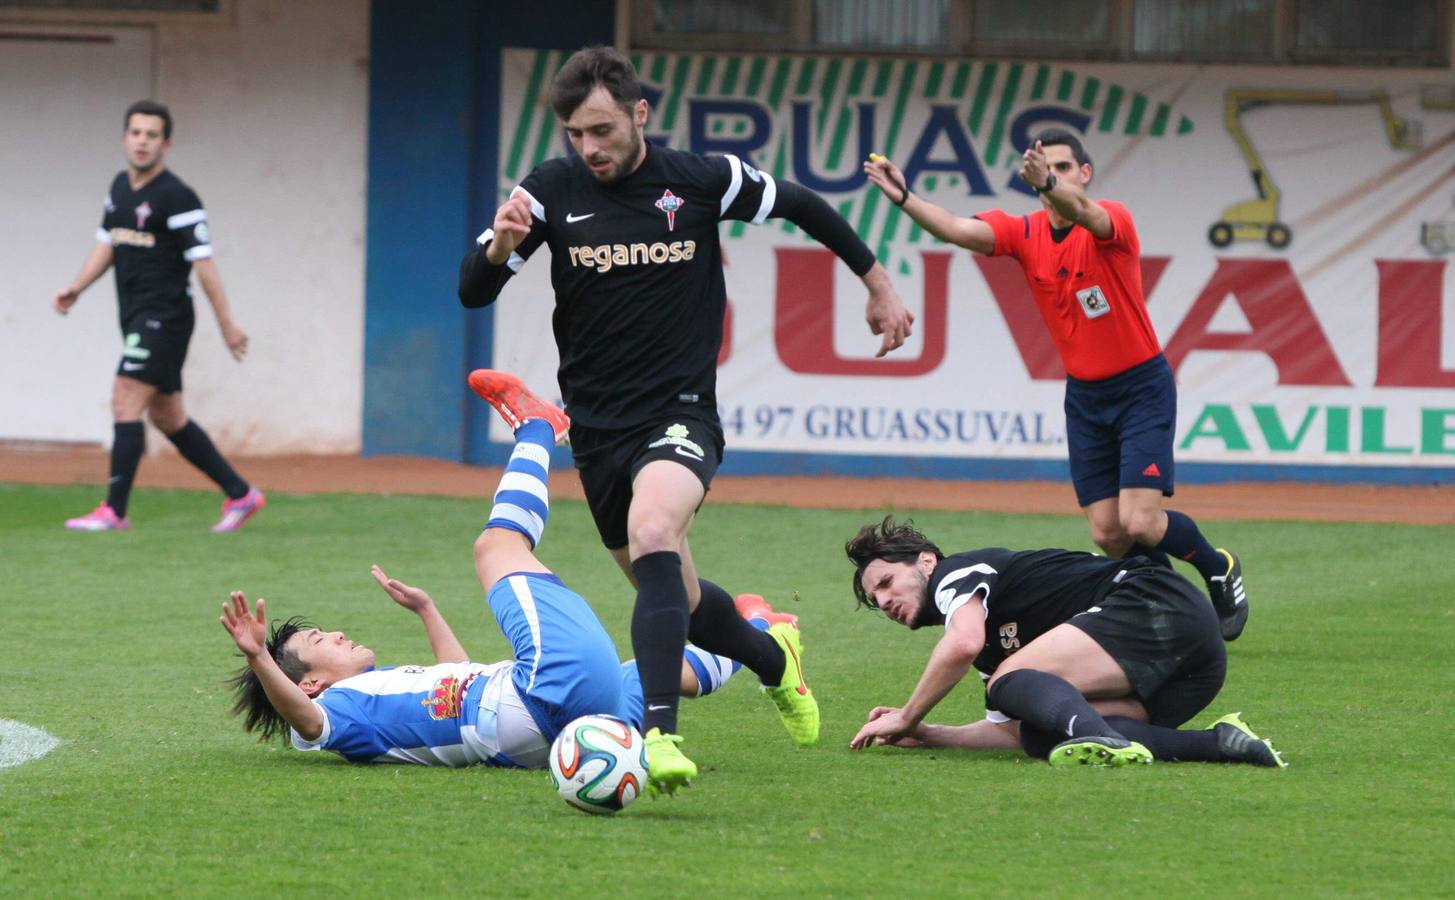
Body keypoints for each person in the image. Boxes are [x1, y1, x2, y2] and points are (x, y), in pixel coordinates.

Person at [459, 46, 915, 791]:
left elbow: (801, 203)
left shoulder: (698, 180)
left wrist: (877, 281)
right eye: (576, 134)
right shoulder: (548, 192)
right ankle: (772, 658)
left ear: (639, 114)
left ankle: (660, 735)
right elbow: (474, 291)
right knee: (678, 596)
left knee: (652, 535)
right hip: (599, 428)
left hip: (680, 411)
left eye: (602, 129)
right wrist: (501, 247)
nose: (590, 148)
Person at [221, 371, 798, 773]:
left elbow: (458, 674)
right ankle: (538, 426)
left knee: (657, 671)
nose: (338, 634)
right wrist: (259, 656)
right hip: (541, 695)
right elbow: (305, 721)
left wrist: (428, 612)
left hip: (561, 725)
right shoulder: (336, 716)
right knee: (495, 547)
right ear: (310, 683)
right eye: (322, 642)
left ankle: (762, 635)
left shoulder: (386, 687)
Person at [864, 132, 1248, 641]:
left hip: (1140, 388)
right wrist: (905, 199)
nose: (1057, 175)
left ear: (1083, 174)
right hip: (1085, 397)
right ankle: (1166, 595)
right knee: (1108, 534)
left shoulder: (1111, 223)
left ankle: (1217, 565)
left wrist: (1046, 180)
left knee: (1140, 522)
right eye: (1050, 169)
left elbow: (1087, 212)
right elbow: (957, 229)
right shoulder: (1026, 234)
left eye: (1066, 167)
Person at [843, 517, 1286, 768]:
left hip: (1155, 601)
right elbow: (1010, 732)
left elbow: (961, 644)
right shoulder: (993, 647)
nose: (884, 601)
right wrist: (930, 734)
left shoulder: (955, 573)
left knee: (1008, 682)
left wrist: (906, 716)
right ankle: (1220, 744)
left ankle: (1098, 738)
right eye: (875, 598)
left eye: (886, 582)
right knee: (1040, 733)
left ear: (925, 562)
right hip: (1193, 671)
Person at [53, 99, 264, 533]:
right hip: (134, 315)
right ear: (125, 138)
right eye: (136, 133)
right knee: (168, 417)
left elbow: (204, 264)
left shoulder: (178, 196)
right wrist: (76, 287)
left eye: (152, 135)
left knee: (125, 393)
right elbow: (106, 244)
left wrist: (227, 323)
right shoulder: (118, 188)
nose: (143, 141)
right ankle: (241, 494)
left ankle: (114, 511)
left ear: (165, 144)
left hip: (165, 316)